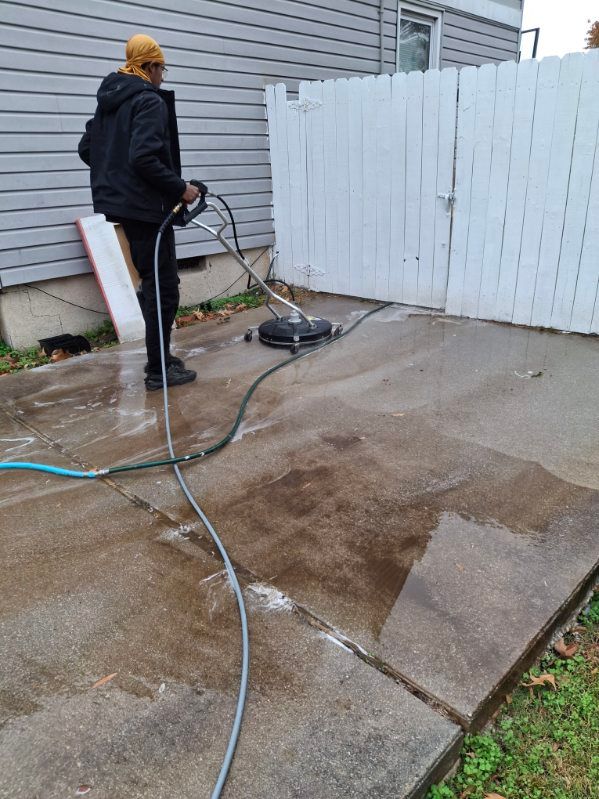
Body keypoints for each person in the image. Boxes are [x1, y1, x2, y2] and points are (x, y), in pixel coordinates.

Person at [78, 33, 203, 391]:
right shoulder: (148, 100)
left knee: (153, 284)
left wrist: (118, 180)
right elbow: (144, 157)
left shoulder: (110, 101)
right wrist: (181, 188)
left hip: (125, 208)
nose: (163, 75)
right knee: (163, 289)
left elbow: (88, 148)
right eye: (162, 68)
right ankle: (158, 370)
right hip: (148, 210)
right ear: (149, 67)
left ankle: (161, 358)